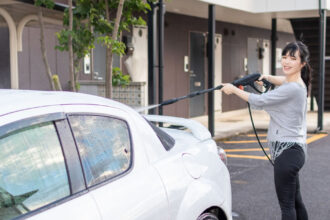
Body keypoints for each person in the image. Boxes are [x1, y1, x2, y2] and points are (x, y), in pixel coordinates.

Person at [221, 41, 310, 220]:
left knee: (287, 206)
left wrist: (233, 90)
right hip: (294, 151)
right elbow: (280, 79)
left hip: (287, 153)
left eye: (292, 58)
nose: (286, 62)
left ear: (302, 63)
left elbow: (260, 102)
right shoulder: (296, 83)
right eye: (284, 57)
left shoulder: (292, 88)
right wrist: (265, 76)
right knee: (295, 201)